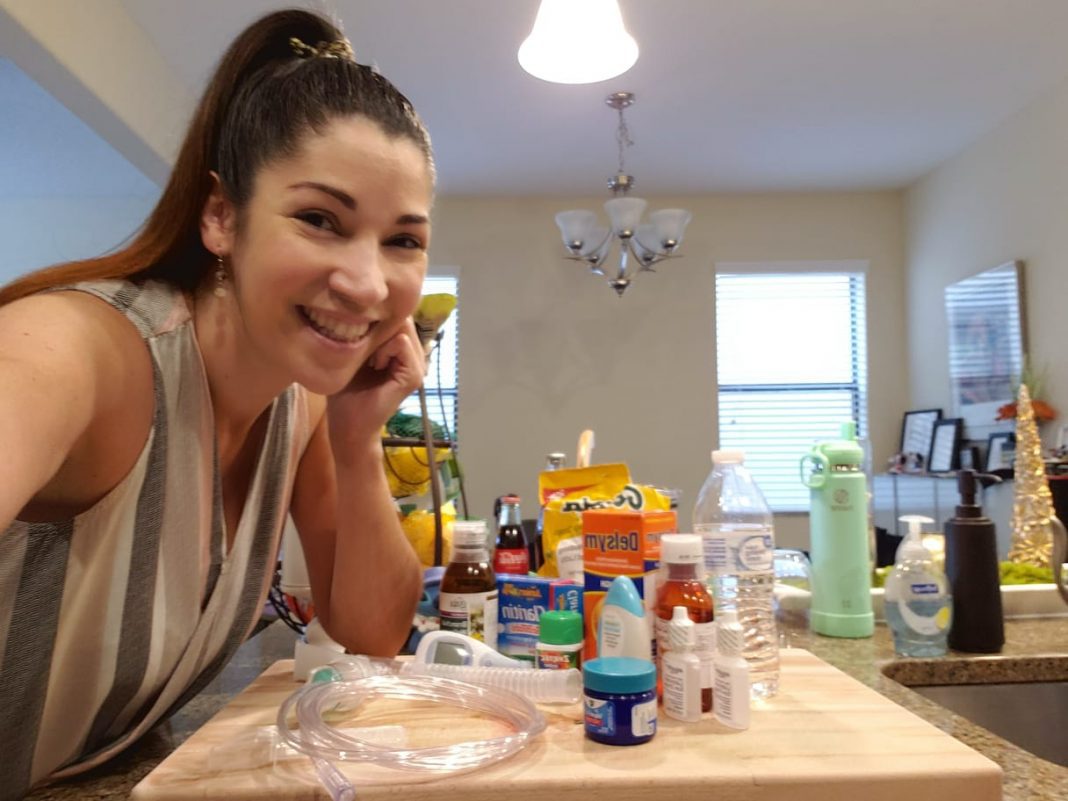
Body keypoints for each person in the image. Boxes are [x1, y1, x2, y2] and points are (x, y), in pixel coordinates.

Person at [0, 9, 430, 796]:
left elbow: (372, 635)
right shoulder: (76, 350)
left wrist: (358, 436)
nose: (370, 284)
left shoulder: (300, 409)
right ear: (222, 216)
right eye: (319, 220)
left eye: (402, 240)